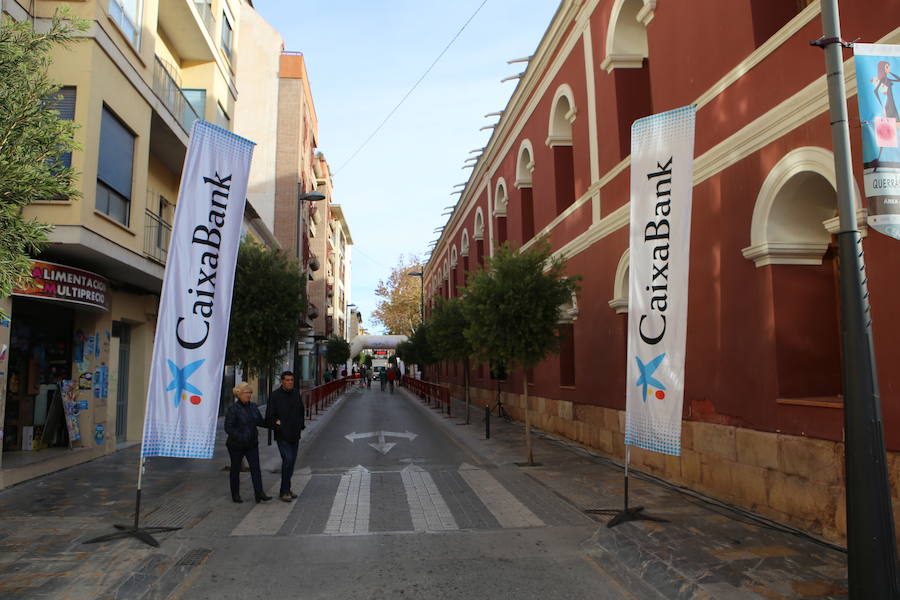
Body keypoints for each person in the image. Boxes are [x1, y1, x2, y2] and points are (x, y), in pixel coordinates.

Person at [224, 382, 272, 504]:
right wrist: (241, 437)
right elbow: (228, 428)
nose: (249, 395)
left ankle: (259, 493)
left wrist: (273, 423)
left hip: (251, 444)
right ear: (239, 394)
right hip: (236, 445)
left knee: (256, 468)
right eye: (246, 392)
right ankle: (235, 494)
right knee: (235, 469)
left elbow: (260, 422)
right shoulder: (233, 409)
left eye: (250, 392)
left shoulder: (253, 407)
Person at [265, 371, 305, 502]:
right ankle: (284, 491)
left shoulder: (295, 394)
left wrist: (300, 425)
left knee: (291, 462)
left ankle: (286, 488)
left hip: (295, 434)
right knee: (287, 460)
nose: (290, 382)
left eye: (292, 380)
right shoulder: (275, 396)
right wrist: (278, 425)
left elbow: (301, 410)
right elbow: (269, 417)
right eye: (287, 380)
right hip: (282, 435)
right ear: (282, 381)